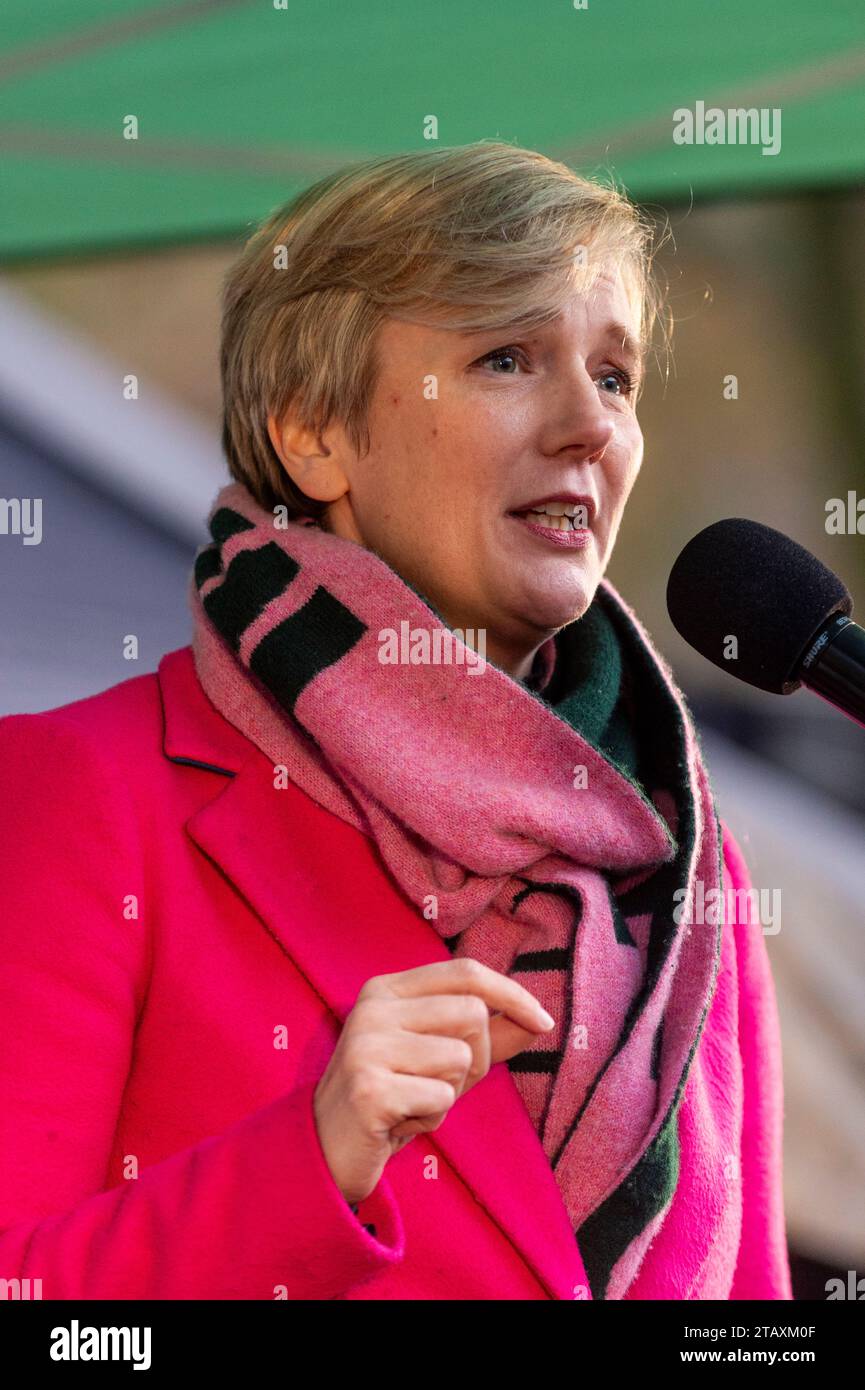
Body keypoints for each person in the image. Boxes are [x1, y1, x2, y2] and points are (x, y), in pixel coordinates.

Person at [0, 141, 792, 1300]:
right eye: (508, 357)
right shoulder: (83, 789)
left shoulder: (686, 865)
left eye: (615, 378)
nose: (589, 424)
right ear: (311, 432)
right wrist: (309, 1156)